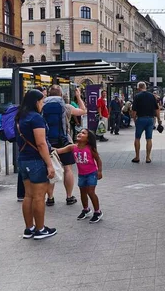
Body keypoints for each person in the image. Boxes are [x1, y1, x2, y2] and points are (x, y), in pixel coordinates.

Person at [16, 89, 57, 240]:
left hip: (23, 159)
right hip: (36, 161)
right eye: (41, 101)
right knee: (39, 196)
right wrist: (49, 164)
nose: (43, 104)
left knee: (28, 195)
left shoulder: (20, 117)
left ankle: (29, 228)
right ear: (36, 102)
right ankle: (40, 230)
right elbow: (41, 143)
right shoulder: (36, 118)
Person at [42, 85, 86, 206]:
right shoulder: (66, 107)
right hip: (65, 141)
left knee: (50, 168)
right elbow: (83, 110)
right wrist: (78, 96)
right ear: (61, 95)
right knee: (68, 169)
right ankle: (69, 197)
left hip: (48, 142)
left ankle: (50, 198)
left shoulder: (42, 106)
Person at [56, 129, 103, 223]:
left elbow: (98, 159)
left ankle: (97, 211)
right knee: (82, 192)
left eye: (83, 133)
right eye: (79, 132)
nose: (80, 134)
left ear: (88, 139)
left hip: (91, 174)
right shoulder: (73, 147)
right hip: (81, 175)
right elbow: (59, 151)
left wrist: (99, 171)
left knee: (91, 192)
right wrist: (48, 149)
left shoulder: (90, 148)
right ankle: (86, 209)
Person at [131, 82, 161, 164]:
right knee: (149, 139)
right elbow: (157, 109)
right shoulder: (152, 96)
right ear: (145, 87)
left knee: (137, 138)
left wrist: (134, 119)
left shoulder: (137, 96)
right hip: (150, 120)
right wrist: (159, 120)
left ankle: (137, 157)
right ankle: (148, 158)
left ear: (138, 88)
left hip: (140, 119)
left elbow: (134, 111)